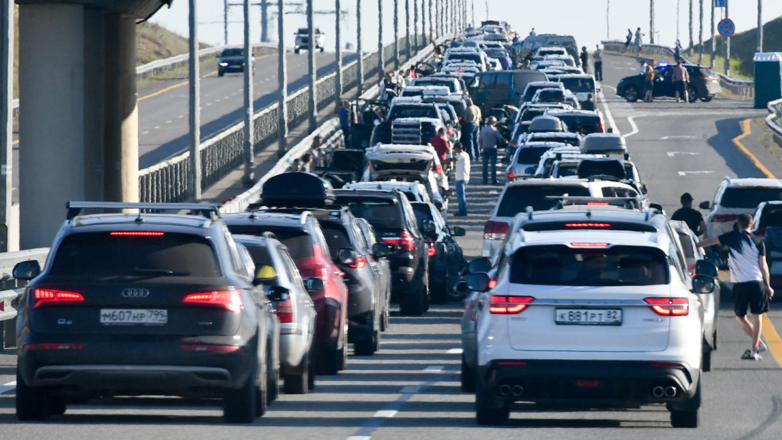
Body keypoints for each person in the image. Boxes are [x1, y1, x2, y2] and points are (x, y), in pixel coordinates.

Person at [697, 214, 774, 361]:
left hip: (741, 284)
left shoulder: (732, 237)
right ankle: (755, 348)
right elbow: (763, 266)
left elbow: (709, 242)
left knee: (740, 316)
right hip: (757, 283)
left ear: (738, 225)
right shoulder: (759, 242)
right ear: (751, 225)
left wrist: (691, 246)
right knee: (757, 316)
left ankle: (757, 346)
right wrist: (768, 286)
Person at [480, 116, 505, 185]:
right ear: (492, 122)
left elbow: (480, 140)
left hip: (485, 148)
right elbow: (500, 138)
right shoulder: (494, 130)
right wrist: (507, 142)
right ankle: (493, 180)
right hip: (492, 148)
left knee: (485, 165)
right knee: (493, 165)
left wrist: (481, 148)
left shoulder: (483, 130)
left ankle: (485, 180)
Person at [449, 143, 470, 216]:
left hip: (461, 177)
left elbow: (453, 159)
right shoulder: (466, 154)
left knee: (460, 196)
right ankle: (462, 210)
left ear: (457, 148)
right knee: (461, 195)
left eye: (455, 149)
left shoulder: (461, 155)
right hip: (465, 177)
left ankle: (463, 211)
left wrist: (442, 162)